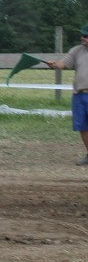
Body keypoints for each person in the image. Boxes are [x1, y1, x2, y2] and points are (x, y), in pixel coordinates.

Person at [45, 24, 88, 165]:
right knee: (82, 126)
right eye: (82, 35)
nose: (83, 38)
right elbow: (64, 63)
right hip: (79, 95)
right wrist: (55, 64)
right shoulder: (77, 50)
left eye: (86, 36)